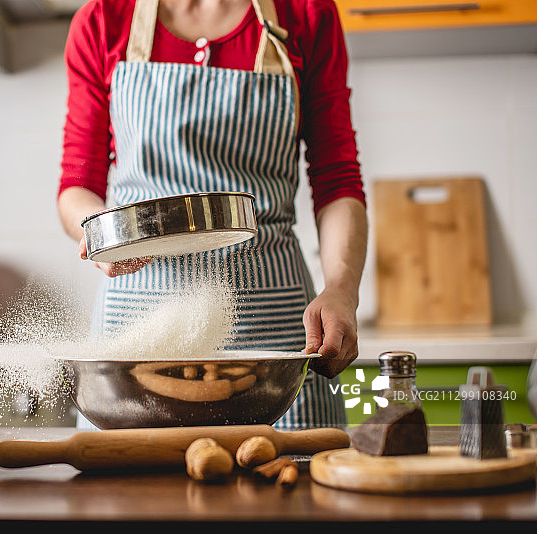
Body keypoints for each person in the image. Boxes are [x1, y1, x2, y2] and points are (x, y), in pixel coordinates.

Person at [56, 0, 368, 429]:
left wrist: (342, 289)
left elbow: (337, 179)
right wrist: (107, 234)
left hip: (276, 351)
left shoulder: (306, 14)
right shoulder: (103, 20)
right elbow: (77, 186)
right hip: (137, 342)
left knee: (290, 473)